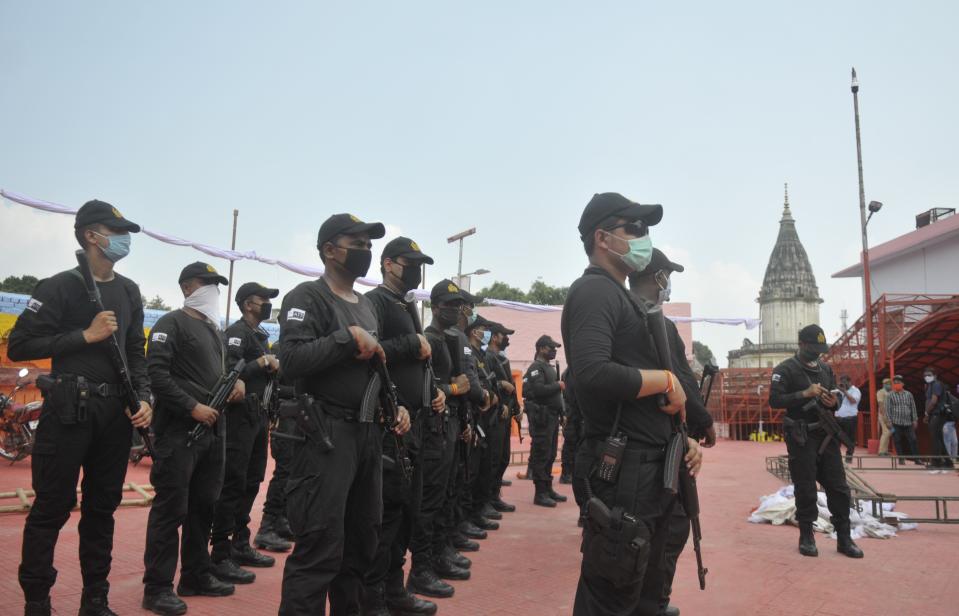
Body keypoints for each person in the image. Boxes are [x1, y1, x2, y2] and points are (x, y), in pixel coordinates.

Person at [9, 200, 153, 616]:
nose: (123, 239)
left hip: (115, 416)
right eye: (115, 230)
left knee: (101, 510)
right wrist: (83, 336)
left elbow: (134, 351)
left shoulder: (128, 291)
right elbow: (21, 346)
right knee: (51, 509)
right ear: (91, 234)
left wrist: (144, 397)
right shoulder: (57, 286)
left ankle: (96, 599)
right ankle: (37, 602)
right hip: (70, 411)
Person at [561, 192, 701, 616]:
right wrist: (664, 379)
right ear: (602, 238)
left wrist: (682, 439)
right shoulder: (594, 291)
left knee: (645, 594)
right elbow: (590, 371)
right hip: (624, 473)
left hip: (651, 470)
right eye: (634, 229)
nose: (643, 238)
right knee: (610, 597)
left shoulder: (621, 297)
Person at [277, 213, 410, 616]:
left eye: (369, 245)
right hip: (323, 438)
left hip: (366, 436)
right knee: (319, 550)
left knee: (360, 549)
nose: (365, 251)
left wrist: (395, 404)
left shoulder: (367, 307)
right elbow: (291, 359)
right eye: (357, 243)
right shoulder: (306, 298)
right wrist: (345, 338)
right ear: (329, 250)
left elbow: (373, 367)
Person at [142, 262, 245, 615]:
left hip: (214, 433)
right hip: (180, 433)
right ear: (187, 287)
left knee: (204, 507)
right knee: (171, 511)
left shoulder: (214, 332)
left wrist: (236, 385)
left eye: (217, 285)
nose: (214, 290)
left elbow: (219, 374)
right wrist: (192, 407)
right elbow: (156, 374)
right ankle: (156, 587)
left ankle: (196, 575)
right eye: (208, 283)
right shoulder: (171, 323)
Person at [627, 248, 716, 616]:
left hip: (649, 439)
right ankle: (652, 602)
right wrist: (704, 422)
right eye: (668, 276)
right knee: (670, 525)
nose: (669, 284)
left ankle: (647, 601)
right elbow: (681, 380)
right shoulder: (655, 322)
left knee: (647, 531)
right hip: (658, 442)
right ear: (659, 277)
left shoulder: (624, 315)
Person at [362, 237, 441, 616]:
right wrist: (412, 342)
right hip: (390, 425)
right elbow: (371, 353)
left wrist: (434, 391)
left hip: (417, 425)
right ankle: (373, 597)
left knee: (407, 512)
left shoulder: (407, 305)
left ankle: (395, 590)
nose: (415, 269)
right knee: (387, 514)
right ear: (389, 264)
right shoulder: (376, 301)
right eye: (410, 263)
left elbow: (417, 363)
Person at [209, 282, 285, 587]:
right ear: (246, 304)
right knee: (233, 483)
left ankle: (241, 542)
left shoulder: (259, 335)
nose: (266, 304)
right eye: (262, 300)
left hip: (258, 416)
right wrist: (261, 362)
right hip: (238, 418)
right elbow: (228, 370)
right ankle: (221, 553)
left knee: (252, 481)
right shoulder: (237, 332)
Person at [770, 323, 863, 560]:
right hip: (801, 435)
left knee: (839, 487)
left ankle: (844, 537)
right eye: (813, 348)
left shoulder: (825, 370)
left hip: (826, 435)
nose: (817, 353)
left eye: (820, 348)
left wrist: (834, 402)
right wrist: (804, 394)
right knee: (806, 486)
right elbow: (775, 400)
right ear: (801, 344)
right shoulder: (785, 370)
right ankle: (806, 536)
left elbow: (836, 397)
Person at [415, 279, 475, 594]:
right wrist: (454, 389)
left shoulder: (448, 340)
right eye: (450, 305)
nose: (456, 310)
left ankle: (440, 552)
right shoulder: (428, 340)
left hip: (449, 426)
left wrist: (463, 416)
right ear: (436, 306)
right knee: (429, 501)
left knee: (445, 494)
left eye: (458, 305)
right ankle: (421, 568)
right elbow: (423, 389)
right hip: (432, 431)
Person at [254, 339, 297, 551]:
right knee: (284, 474)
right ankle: (267, 527)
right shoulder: (282, 348)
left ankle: (282, 520)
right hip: (284, 420)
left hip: (297, 421)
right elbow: (275, 387)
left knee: (294, 474)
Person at [464, 314, 502, 529]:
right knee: (472, 471)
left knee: (485, 466)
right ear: (473, 330)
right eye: (482, 328)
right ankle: (468, 516)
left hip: (488, 416)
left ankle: (479, 509)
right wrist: (486, 396)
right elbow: (473, 382)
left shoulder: (482, 355)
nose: (485, 333)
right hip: (476, 415)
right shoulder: (468, 352)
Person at [523, 335, 567, 507]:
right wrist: (559, 385)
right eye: (550, 347)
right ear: (541, 348)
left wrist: (562, 412)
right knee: (542, 454)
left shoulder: (549, 367)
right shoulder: (536, 367)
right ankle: (540, 493)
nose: (554, 350)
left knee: (551, 454)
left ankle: (548, 488)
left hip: (553, 416)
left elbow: (556, 395)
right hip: (543, 417)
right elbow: (539, 390)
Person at [485, 321, 518, 513]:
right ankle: (487, 499)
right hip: (495, 415)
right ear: (495, 336)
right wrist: (500, 385)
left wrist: (515, 407)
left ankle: (495, 496)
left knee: (503, 458)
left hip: (505, 414)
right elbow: (488, 383)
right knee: (494, 459)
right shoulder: (488, 357)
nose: (507, 339)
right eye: (504, 335)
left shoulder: (501, 357)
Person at [923, 367, 954, 469]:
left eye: (929, 374)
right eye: (925, 375)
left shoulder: (936, 384)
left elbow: (933, 401)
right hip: (935, 414)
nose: (926, 377)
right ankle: (948, 462)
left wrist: (927, 413)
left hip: (938, 414)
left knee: (935, 438)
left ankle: (936, 462)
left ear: (935, 375)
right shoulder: (930, 385)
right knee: (939, 438)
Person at [885, 375, 919, 465]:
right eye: (895, 383)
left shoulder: (909, 394)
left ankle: (917, 459)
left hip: (908, 422)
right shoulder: (890, 395)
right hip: (895, 423)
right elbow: (888, 409)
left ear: (903, 384)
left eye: (898, 383)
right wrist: (889, 421)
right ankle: (901, 458)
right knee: (897, 440)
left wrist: (915, 419)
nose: (896, 384)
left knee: (913, 440)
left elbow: (913, 407)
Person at [835, 375, 861, 463]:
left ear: (850, 382)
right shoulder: (839, 391)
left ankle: (849, 458)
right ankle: (836, 458)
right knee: (836, 439)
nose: (843, 384)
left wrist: (844, 391)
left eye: (845, 382)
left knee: (850, 439)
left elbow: (853, 401)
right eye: (842, 383)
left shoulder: (855, 390)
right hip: (838, 419)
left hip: (850, 419)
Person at [876, 378, 893, 456]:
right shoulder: (880, 392)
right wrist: (884, 416)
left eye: (889, 383)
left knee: (889, 432)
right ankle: (881, 451)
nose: (888, 385)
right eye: (886, 383)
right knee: (886, 432)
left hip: (891, 415)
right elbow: (881, 404)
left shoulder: (891, 392)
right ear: (883, 384)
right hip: (883, 415)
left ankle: (885, 451)